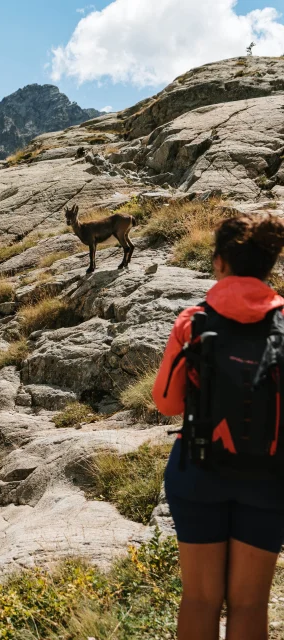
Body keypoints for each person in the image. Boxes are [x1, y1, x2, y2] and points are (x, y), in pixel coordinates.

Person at [153, 214, 284, 640]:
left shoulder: (193, 321)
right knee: (249, 604)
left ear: (219, 262)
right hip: (269, 476)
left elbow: (166, 403)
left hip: (199, 469)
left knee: (200, 599)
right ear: (270, 266)